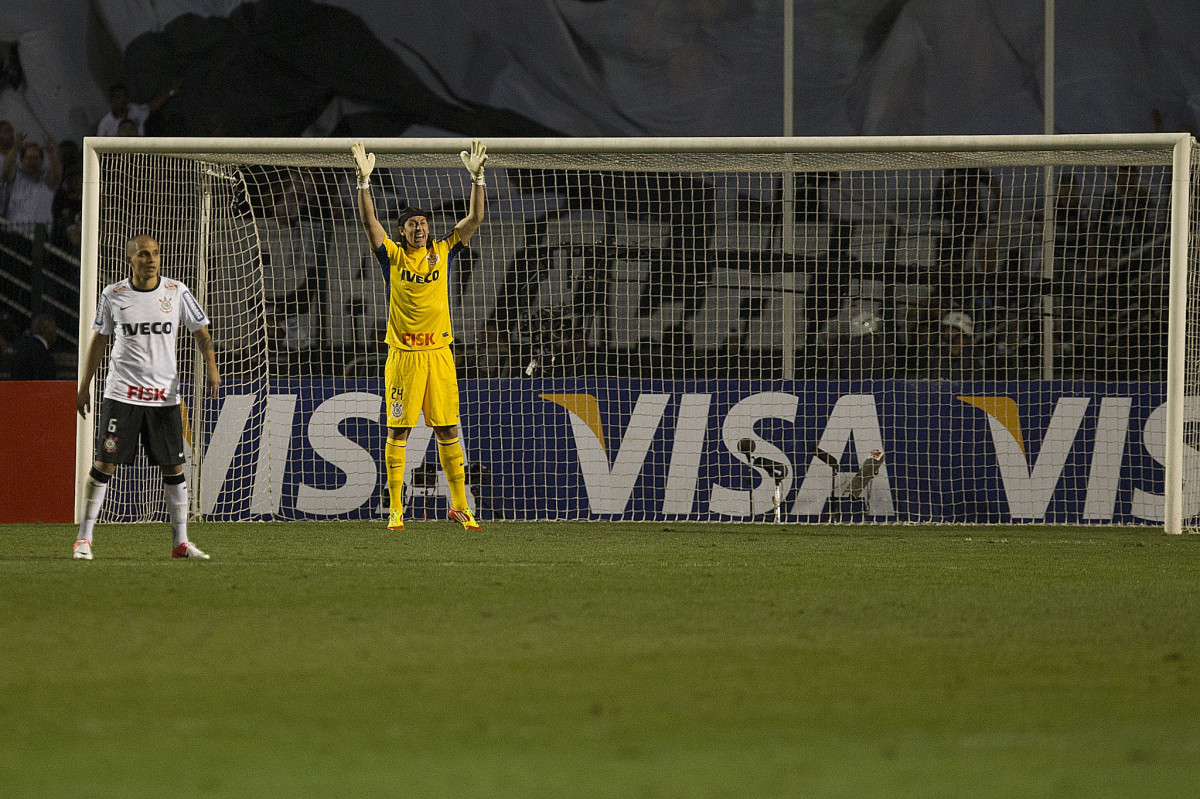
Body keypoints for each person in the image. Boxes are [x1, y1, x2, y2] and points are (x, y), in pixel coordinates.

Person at [352, 139, 487, 531]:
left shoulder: (444, 251)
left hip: (439, 355)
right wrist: (364, 184)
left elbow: (475, 219)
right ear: (402, 231)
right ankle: (396, 509)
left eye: (424, 223)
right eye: (412, 224)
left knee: (448, 428)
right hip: (404, 356)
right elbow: (370, 224)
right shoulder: (392, 256)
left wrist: (478, 179)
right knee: (400, 429)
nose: (420, 228)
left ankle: (459, 506)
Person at [73, 234, 221, 560]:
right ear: (130, 260)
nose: (151, 259)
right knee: (105, 462)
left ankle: (181, 543)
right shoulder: (113, 295)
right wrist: (84, 386)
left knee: (173, 467)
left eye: (155, 253)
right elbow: (99, 340)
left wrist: (212, 368)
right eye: (143, 254)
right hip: (122, 395)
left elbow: (201, 332)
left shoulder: (176, 291)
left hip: (164, 398)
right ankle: (84, 539)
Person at [2, 133, 62, 228]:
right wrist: (15, 148)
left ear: (41, 160)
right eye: (29, 158)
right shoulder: (15, 176)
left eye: (36, 158)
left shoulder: (45, 178)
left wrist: (51, 153)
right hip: (15, 230)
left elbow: (57, 175)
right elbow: (6, 172)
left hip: (41, 231)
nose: (32, 162)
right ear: (22, 160)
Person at [97, 82, 180, 137]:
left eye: (125, 96)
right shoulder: (105, 124)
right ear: (111, 100)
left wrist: (172, 92)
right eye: (118, 97)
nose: (122, 99)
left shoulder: (135, 109)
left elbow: (152, 106)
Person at [5, 313, 58, 379]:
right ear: (45, 330)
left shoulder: (20, 347)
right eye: (54, 329)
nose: (56, 333)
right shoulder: (43, 355)